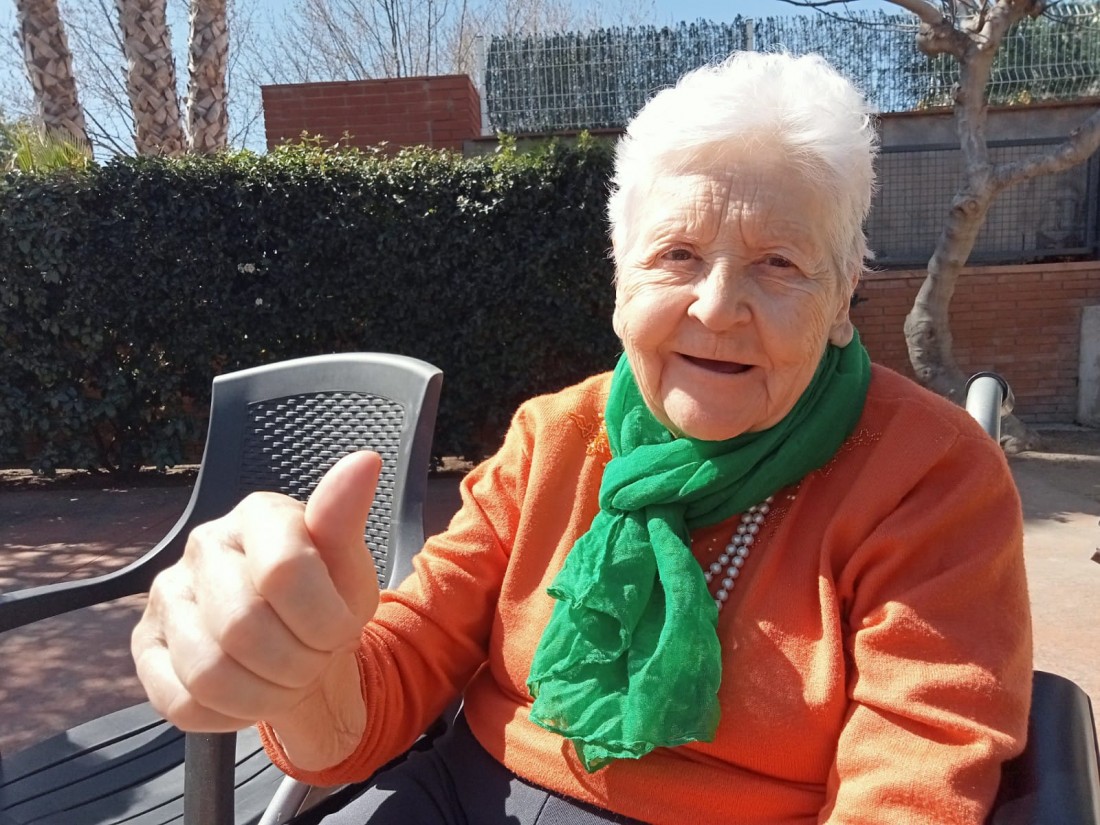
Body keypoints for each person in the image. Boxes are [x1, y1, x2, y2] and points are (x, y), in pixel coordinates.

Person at [132, 51, 1032, 824]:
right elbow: (390, 674)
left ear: (840, 301)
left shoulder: (932, 474)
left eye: (779, 262)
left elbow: (912, 778)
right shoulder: (554, 435)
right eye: (677, 254)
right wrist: (299, 667)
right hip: (471, 792)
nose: (718, 305)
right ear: (619, 283)